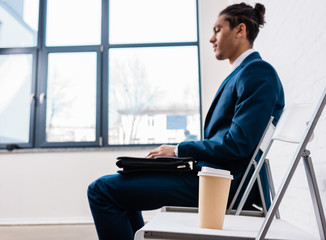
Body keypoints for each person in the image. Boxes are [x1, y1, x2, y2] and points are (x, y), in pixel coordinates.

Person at [87, 3, 285, 240]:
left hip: (224, 184)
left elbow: (238, 144)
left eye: (217, 30)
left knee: (102, 191)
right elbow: (229, 140)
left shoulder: (257, 72)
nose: (211, 39)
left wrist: (179, 149)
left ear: (240, 30)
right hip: (215, 176)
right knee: (120, 186)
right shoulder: (245, 73)